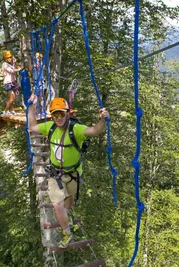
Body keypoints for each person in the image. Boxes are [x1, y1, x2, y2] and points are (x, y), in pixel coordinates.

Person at [28, 94, 109, 248]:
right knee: (57, 205)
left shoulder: (75, 129)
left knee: (69, 197)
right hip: (55, 174)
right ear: (51, 116)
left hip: (74, 173)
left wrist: (103, 119)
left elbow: (95, 131)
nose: (59, 118)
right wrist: (31, 106)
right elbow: (32, 127)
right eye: (55, 115)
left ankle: (66, 214)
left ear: (67, 114)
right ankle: (67, 232)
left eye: (62, 114)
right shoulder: (49, 127)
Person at [2, 51, 22, 115]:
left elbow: (16, 68)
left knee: (13, 99)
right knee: (11, 99)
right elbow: (12, 71)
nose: (9, 59)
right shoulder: (5, 64)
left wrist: (15, 62)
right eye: (8, 58)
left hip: (12, 82)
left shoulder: (11, 64)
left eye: (10, 57)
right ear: (6, 59)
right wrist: (21, 68)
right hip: (8, 83)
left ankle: (11, 110)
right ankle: (5, 111)